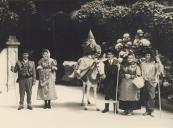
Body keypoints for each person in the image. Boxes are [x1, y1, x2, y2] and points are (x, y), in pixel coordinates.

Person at [140, 50, 164, 116]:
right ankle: (147, 110)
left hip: (152, 82)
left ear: (151, 56)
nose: (147, 56)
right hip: (144, 81)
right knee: (144, 96)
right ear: (144, 56)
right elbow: (141, 71)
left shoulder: (154, 63)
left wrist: (159, 61)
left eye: (149, 55)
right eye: (146, 55)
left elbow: (160, 69)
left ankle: (152, 110)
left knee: (151, 97)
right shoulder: (142, 63)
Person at [102, 49, 120, 113]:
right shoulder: (105, 62)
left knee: (114, 95)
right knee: (107, 95)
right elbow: (103, 71)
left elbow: (118, 72)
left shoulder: (116, 62)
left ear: (113, 55)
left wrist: (119, 68)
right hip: (107, 81)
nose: (109, 55)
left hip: (114, 81)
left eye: (111, 54)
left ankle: (115, 109)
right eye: (108, 54)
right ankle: (106, 108)